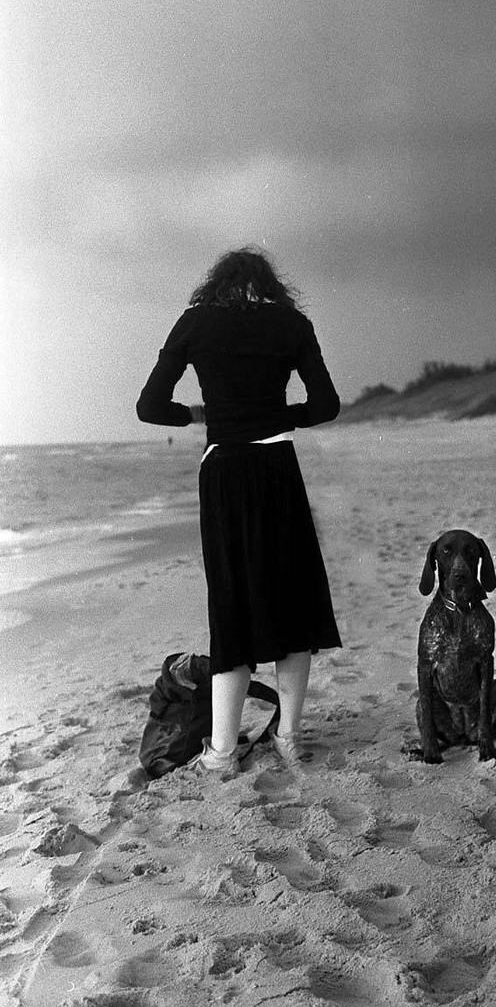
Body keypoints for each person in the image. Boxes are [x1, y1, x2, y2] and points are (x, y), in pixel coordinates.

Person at [136, 248, 342, 772]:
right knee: (291, 596)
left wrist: (200, 413)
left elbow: (150, 407)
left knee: (232, 602)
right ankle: (289, 737)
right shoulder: (292, 324)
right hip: (277, 467)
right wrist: (275, 414)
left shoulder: (195, 322)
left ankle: (223, 752)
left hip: (224, 471)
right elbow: (325, 406)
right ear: (269, 285)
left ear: (217, 283)